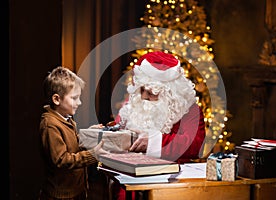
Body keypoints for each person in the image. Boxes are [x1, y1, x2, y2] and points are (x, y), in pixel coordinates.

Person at [111, 51, 206, 199]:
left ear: (171, 94)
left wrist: (153, 142)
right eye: (141, 90)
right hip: (130, 185)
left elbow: (195, 145)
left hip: (170, 186)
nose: (143, 97)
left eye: (151, 93)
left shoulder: (190, 110)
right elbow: (116, 131)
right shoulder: (133, 105)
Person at [38, 66, 106, 200]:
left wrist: (87, 134)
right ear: (56, 99)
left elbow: (72, 144)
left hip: (76, 191)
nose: (79, 103)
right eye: (74, 98)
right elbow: (62, 160)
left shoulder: (66, 119)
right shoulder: (50, 125)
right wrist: (93, 155)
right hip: (61, 195)